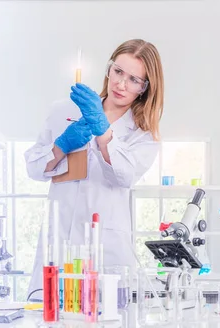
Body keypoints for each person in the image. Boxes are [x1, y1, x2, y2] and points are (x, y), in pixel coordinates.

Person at [25, 39, 164, 299]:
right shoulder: (63, 110)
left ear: (145, 88)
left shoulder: (144, 135)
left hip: (106, 252)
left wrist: (103, 132)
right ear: (109, 69)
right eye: (118, 71)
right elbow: (33, 168)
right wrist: (60, 147)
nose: (121, 84)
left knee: (107, 321)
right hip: (59, 245)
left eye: (134, 80)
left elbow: (124, 176)